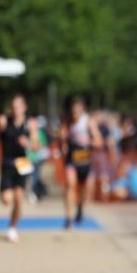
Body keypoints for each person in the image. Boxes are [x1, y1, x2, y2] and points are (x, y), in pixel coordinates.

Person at [0, 95, 40, 243]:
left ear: (24, 107)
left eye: (19, 106)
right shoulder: (5, 121)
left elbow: (36, 146)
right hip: (8, 163)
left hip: (23, 163)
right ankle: (11, 222)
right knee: (6, 199)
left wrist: (27, 142)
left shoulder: (30, 124)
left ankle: (12, 227)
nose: (16, 109)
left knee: (19, 199)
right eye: (14, 106)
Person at [60, 97, 102, 229]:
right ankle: (68, 217)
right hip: (71, 159)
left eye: (77, 112)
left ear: (82, 111)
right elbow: (62, 139)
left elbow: (99, 142)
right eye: (73, 112)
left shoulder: (89, 122)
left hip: (84, 159)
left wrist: (87, 141)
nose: (75, 115)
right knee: (70, 184)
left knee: (85, 190)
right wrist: (63, 143)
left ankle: (80, 206)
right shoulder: (67, 122)